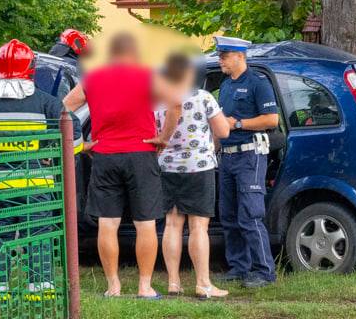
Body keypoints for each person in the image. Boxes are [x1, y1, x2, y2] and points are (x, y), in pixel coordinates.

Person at [0, 39, 83, 301]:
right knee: (38, 237)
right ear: (31, 69)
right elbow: (75, 140)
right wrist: (50, 155)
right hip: (37, 187)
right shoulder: (47, 103)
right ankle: (40, 290)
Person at [63, 33, 182, 298]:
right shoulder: (147, 75)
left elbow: (65, 108)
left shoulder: (93, 78)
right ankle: (145, 286)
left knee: (108, 223)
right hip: (141, 153)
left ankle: (112, 286)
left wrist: (82, 144)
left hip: (105, 155)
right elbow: (175, 103)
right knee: (145, 223)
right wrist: (164, 138)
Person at [155, 53, 230, 299]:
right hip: (199, 167)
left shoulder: (159, 101)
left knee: (173, 224)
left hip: (168, 167)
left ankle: (173, 283)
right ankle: (203, 284)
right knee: (199, 226)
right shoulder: (203, 98)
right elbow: (223, 131)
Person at [214, 36, 279, 288]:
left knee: (250, 215)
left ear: (240, 56)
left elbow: (271, 120)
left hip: (250, 155)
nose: (220, 60)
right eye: (220, 55)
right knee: (228, 215)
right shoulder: (226, 85)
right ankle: (239, 267)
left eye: (224, 56)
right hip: (228, 156)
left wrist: (238, 124)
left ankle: (264, 271)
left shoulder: (257, 83)